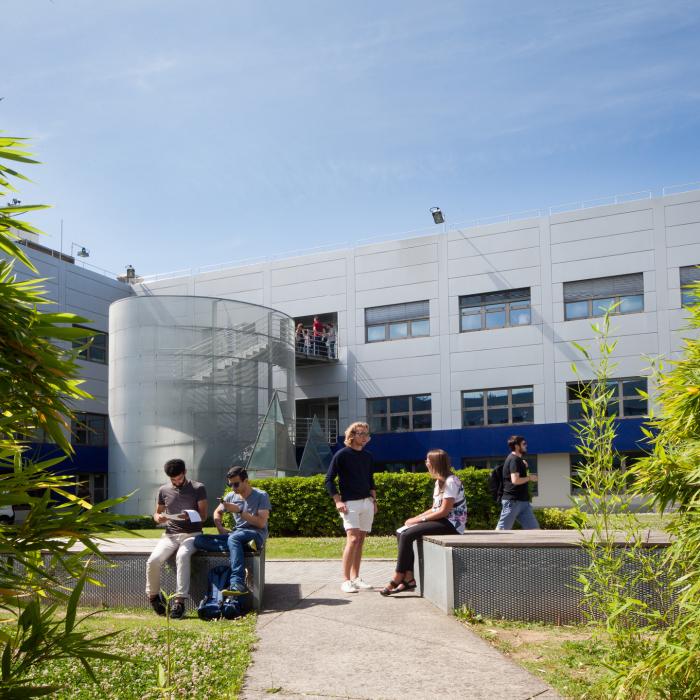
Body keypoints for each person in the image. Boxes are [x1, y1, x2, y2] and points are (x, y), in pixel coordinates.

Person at [380, 449, 466, 596]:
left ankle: (398, 575)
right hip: (442, 519)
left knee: (407, 535)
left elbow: (444, 511)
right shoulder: (439, 482)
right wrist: (415, 518)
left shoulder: (451, 481)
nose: (425, 463)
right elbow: (434, 508)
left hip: (452, 524)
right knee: (402, 532)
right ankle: (409, 578)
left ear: (435, 463)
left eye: (427, 460)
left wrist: (419, 520)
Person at [194, 465, 271, 594]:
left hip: (256, 534)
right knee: (199, 540)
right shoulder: (230, 496)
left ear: (246, 481)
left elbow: (262, 523)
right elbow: (217, 512)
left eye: (236, 484)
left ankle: (237, 582)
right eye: (230, 485)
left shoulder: (261, 496)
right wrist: (220, 528)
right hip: (237, 535)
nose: (233, 488)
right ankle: (243, 547)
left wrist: (240, 511)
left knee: (234, 538)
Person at [146, 458, 208, 618]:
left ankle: (179, 602)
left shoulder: (198, 488)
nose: (176, 482)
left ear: (185, 472)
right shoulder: (163, 490)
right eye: (173, 479)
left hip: (192, 535)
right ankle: (153, 597)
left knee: (182, 556)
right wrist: (158, 518)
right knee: (152, 561)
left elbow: (203, 516)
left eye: (179, 478)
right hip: (170, 535)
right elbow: (157, 512)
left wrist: (190, 515)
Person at [325, 422, 377, 593]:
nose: (364, 437)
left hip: (366, 502)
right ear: (352, 435)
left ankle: (356, 577)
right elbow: (329, 480)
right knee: (353, 539)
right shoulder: (342, 455)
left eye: (366, 434)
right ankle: (346, 580)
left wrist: (374, 502)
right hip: (350, 503)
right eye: (361, 433)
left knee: (361, 540)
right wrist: (338, 501)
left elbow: (371, 481)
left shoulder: (368, 456)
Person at [495, 435, 539, 530]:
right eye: (524, 444)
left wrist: (524, 467)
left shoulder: (517, 460)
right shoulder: (514, 459)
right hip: (513, 502)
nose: (526, 446)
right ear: (517, 446)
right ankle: (492, 545)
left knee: (535, 531)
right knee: (502, 531)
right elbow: (515, 480)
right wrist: (530, 477)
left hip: (523, 502)